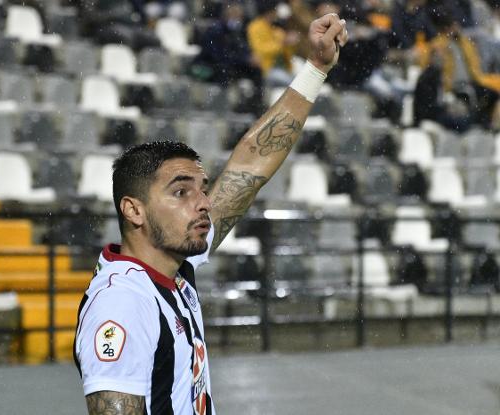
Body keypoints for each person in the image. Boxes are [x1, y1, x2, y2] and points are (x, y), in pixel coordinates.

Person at [73, 13, 348, 415]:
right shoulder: (123, 304)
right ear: (133, 210)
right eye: (181, 192)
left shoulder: (174, 262)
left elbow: (249, 168)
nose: (203, 202)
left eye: (201, 190)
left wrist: (315, 69)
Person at [247, 0, 301, 87]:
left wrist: (292, 43)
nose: (276, 13)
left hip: (286, 69)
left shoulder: (277, 29)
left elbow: (289, 52)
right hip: (267, 70)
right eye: (274, 10)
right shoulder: (255, 27)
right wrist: (283, 43)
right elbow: (260, 50)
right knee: (295, 85)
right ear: (269, 12)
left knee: (300, 81)